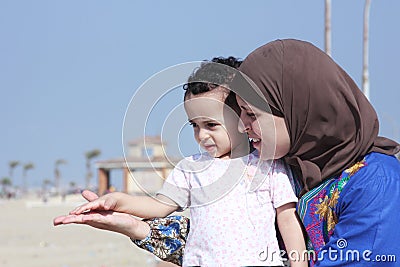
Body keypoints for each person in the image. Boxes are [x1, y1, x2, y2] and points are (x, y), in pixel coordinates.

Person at [55, 39, 400, 266]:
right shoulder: (297, 170)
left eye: (252, 115)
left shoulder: (375, 182)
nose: (246, 127)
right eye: (242, 115)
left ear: (297, 109)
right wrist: (133, 226)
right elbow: (226, 241)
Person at [54, 57, 307, 267]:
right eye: (194, 126)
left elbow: (287, 221)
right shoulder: (191, 168)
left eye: (211, 125)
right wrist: (119, 201)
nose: (201, 135)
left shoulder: (268, 165)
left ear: (242, 116)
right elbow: (159, 206)